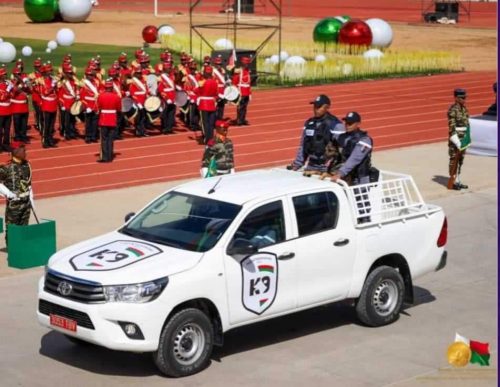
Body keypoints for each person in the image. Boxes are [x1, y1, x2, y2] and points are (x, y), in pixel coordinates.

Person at [289, 94, 343, 174]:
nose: (315, 109)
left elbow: (342, 149)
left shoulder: (335, 125)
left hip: (327, 167)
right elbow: (303, 145)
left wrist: (334, 169)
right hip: (311, 165)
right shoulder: (309, 123)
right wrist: (297, 164)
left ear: (326, 107)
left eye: (318, 107)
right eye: (314, 106)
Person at [0, 142, 33, 242]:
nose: (25, 152)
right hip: (14, 204)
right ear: (16, 152)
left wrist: (31, 195)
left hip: (26, 202)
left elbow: (28, 182)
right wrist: (7, 193)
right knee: (12, 230)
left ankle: (21, 250)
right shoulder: (6, 167)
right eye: (23, 150)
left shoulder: (26, 165)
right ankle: (12, 251)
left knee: (24, 228)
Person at [330, 112, 374, 185]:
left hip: (359, 177)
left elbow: (355, 158)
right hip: (345, 177)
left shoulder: (365, 140)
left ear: (358, 123)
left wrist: (340, 173)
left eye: (350, 123)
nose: (347, 125)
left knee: (359, 196)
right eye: (346, 123)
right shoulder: (342, 137)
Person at [447, 88, 469, 190]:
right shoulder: (453, 110)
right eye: (462, 98)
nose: (464, 99)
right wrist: (457, 142)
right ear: (456, 98)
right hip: (456, 140)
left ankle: (458, 180)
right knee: (453, 161)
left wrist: (467, 137)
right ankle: (453, 181)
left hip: (463, 139)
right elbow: (452, 128)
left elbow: (466, 124)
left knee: (460, 161)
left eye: (465, 97)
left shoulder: (464, 109)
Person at [96, 79, 121, 162]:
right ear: (112, 87)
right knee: (110, 139)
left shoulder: (101, 96)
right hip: (112, 119)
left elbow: (98, 107)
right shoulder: (116, 97)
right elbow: (119, 109)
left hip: (103, 119)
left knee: (104, 139)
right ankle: (110, 156)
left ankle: (104, 157)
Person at [197, 66, 218, 144]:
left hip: (204, 104)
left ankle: (207, 138)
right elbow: (216, 94)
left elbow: (197, 91)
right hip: (212, 104)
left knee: (204, 123)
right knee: (211, 123)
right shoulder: (215, 82)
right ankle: (211, 137)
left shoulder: (202, 82)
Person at [40, 63, 58, 148]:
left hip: (53, 105)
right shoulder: (42, 81)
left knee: (52, 124)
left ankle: (50, 140)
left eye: (51, 70)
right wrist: (52, 86)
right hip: (47, 105)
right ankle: (45, 141)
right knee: (46, 125)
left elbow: (57, 92)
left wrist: (56, 85)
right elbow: (45, 93)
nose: (51, 72)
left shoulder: (53, 80)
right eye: (49, 70)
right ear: (45, 72)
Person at [232, 56, 252, 126]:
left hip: (246, 91)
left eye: (248, 63)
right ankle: (239, 120)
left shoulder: (248, 71)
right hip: (241, 91)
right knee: (240, 107)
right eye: (246, 63)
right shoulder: (239, 71)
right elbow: (234, 82)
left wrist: (250, 93)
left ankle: (243, 119)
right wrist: (236, 92)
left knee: (245, 107)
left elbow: (249, 83)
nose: (247, 64)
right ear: (243, 63)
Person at [0, 66, 13, 152]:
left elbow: (12, 95)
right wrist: (8, 90)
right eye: (4, 75)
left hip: (8, 110)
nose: (5, 76)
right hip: (1, 111)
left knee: (7, 129)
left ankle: (6, 144)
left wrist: (11, 87)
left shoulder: (7, 83)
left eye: (6, 74)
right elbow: (2, 98)